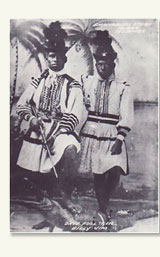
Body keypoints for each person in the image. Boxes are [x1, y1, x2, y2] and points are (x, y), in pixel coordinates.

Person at [16, 21, 86, 216]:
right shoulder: (38, 80)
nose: (54, 59)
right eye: (50, 55)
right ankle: (47, 208)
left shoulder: (72, 85)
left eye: (58, 56)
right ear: (47, 57)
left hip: (60, 129)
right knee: (34, 173)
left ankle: (66, 196)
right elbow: (21, 105)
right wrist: (31, 119)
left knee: (70, 148)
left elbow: (74, 115)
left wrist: (57, 132)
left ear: (65, 58)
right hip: (37, 127)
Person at [79, 31, 134, 222]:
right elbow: (81, 104)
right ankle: (103, 208)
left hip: (112, 133)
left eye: (106, 64)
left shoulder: (123, 88)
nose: (102, 68)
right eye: (99, 64)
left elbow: (127, 115)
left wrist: (120, 138)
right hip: (92, 133)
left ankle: (105, 203)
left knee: (115, 170)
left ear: (113, 64)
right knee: (98, 173)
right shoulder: (88, 83)